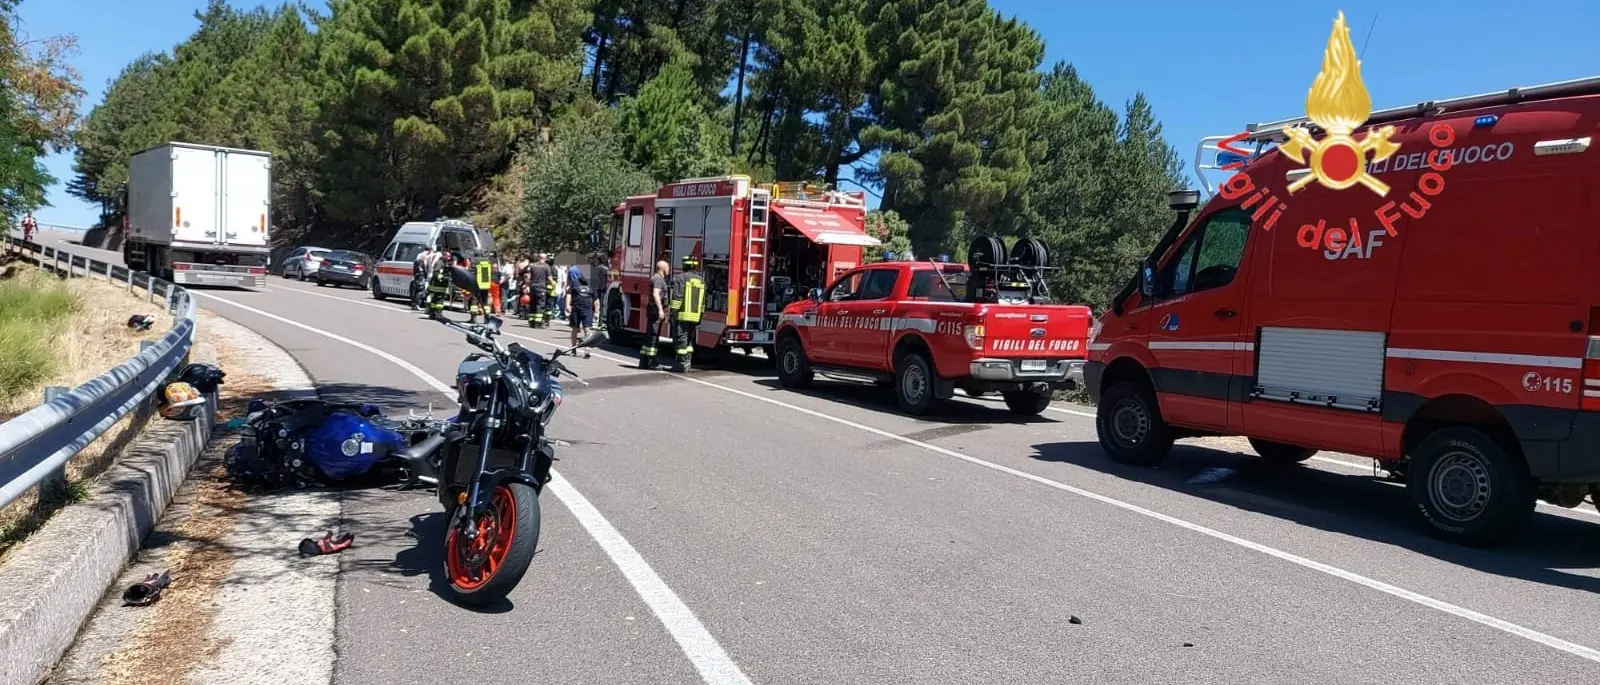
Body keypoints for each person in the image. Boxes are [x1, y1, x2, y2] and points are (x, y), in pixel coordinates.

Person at [667, 254, 706, 372]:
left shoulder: (680, 278)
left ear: (684, 265)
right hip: (695, 316)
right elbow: (703, 301)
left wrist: (672, 313)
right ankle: (687, 363)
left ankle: (681, 365)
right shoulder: (701, 280)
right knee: (689, 341)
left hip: (682, 315)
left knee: (681, 340)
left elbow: (677, 298)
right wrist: (700, 316)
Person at [638, 260, 670, 369]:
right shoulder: (658, 279)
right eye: (667, 268)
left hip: (652, 309)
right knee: (653, 336)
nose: (668, 270)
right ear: (663, 269)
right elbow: (656, 294)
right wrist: (660, 309)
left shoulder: (655, 278)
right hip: (655, 310)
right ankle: (652, 362)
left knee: (650, 335)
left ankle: (644, 362)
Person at [566, 275, 595, 358]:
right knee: (575, 329)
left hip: (587, 310)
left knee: (587, 330)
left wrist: (596, 310)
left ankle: (587, 350)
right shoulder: (574, 283)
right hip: (576, 309)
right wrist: (567, 305)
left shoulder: (592, 285)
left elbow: (595, 299)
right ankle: (573, 349)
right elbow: (569, 294)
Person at [424, 242, 452, 318]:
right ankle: (438, 314)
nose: (449, 258)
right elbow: (436, 273)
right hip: (438, 286)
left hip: (439, 286)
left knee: (434, 300)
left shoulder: (445, 263)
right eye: (448, 256)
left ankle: (432, 314)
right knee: (439, 301)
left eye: (450, 256)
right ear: (444, 256)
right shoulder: (440, 263)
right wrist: (445, 278)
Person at [525, 253, 551, 328]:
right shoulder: (546, 266)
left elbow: (528, 277)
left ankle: (531, 322)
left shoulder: (532, 265)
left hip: (533, 287)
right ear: (544, 258)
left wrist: (526, 286)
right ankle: (538, 323)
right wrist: (553, 284)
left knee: (533, 304)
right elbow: (549, 278)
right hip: (541, 287)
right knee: (540, 304)